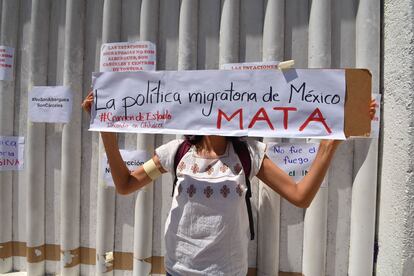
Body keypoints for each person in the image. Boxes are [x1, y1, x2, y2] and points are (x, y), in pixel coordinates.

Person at [82, 91, 376, 276]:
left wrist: (330, 145)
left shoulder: (248, 153)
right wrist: (106, 132)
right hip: (178, 269)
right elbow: (124, 184)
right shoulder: (177, 151)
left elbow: (300, 196)